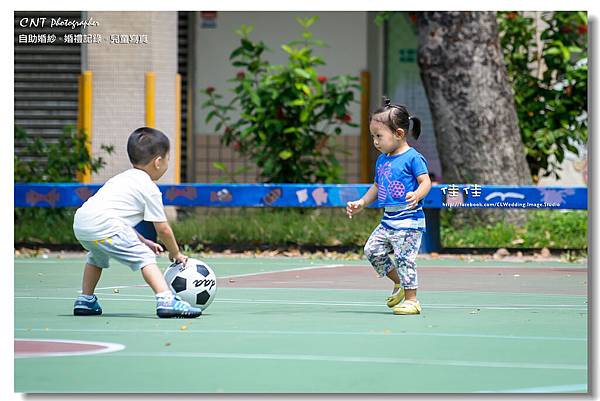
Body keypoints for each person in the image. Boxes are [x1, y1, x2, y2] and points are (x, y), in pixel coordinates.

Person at [72, 127, 202, 318]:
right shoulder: (149, 188)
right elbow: (163, 229)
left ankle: (86, 300)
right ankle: (166, 299)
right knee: (145, 258)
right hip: (106, 226)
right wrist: (175, 253)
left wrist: (144, 241)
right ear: (158, 162)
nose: (167, 163)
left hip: (82, 224)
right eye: (168, 158)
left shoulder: (122, 179)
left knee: (96, 256)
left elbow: (118, 221)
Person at [346, 97, 432, 315]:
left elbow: (426, 182)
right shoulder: (382, 159)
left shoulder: (413, 158)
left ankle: (412, 300)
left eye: (379, 136)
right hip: (388, 220)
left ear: (399, 134)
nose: (375, 141)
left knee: (405, 258)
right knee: (372, 250)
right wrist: (362, 202)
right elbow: (376, 185)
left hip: (409, 220)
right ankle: (400, 283)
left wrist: (417, 194)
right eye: (373, 136)